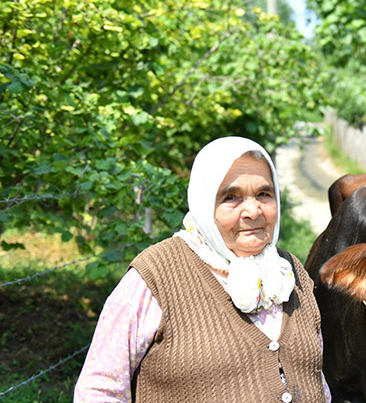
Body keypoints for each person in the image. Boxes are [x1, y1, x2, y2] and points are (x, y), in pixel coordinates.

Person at [75, 136, 330, 402]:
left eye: (264, 194)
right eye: (231, 197)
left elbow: (316, 380)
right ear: (205, 204)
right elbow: (99, 390)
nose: (253, 211)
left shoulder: (289, 273)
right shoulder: (156, 277)